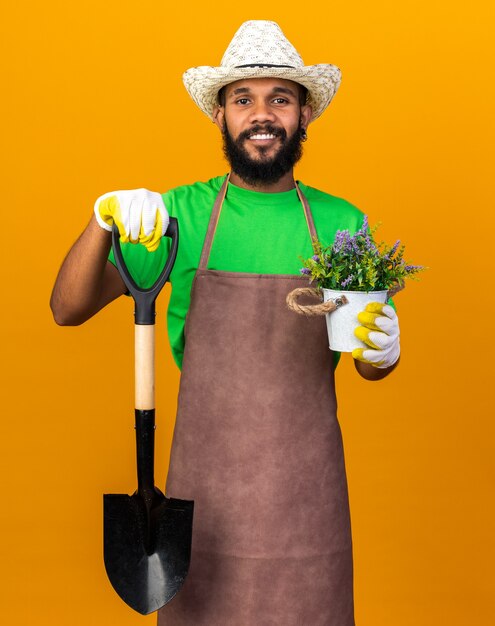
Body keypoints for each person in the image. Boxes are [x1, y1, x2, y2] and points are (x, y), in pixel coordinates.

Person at [51, 20, 400, 626]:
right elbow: (67, 308)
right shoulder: (176, 215)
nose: (261, 116)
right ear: (220, 115)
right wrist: (102, 218)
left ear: (304, 114)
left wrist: (385, 349)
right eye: (243, 99)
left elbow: (368, 363)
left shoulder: (342, 224)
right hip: (202, 506)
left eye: (279, 99)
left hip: (306, 504)